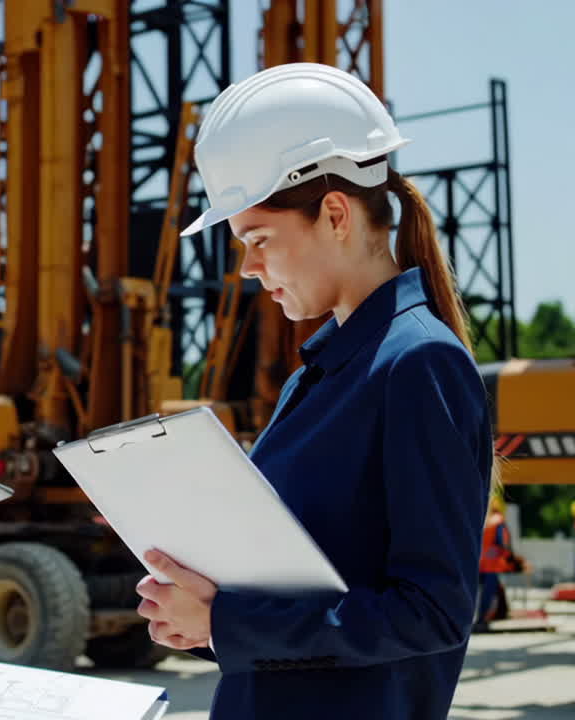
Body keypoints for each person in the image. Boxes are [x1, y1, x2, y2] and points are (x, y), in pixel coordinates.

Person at [133, 63, 493, 719]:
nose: (247, 268)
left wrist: (226, 624)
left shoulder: (421, 365)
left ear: (334, 213)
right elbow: (305, 598)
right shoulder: (318, 375)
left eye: (259, 239)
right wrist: (205, 617)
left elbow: (431, 613)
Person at [475, 495, 524, 630]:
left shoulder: (487, 521)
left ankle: (500, 612)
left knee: (495, 589)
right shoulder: (499, 522)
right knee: (488, 593)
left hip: (483, 563)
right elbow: (504, 542)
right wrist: (511, 557)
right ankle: (481, 621)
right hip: (494, 564)